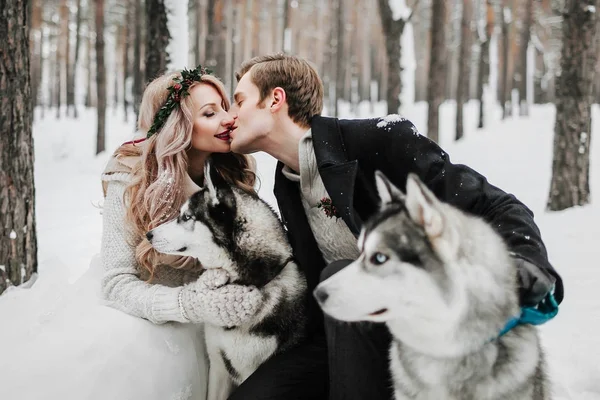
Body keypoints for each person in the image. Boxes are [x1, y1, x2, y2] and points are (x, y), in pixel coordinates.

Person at [224, 53, 564, 400]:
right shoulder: (286, 183)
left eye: (239, 101)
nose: (231, 115)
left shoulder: (376, 141)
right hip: (340, 334)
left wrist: (525, 262)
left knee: (342, 275)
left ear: (274, 100)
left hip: (422, 329)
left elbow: (492, 203)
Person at [99, 66, 264, 399]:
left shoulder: (236, 170)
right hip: (153, 325)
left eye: (224, 106)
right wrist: (186, 305)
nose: (227, 118)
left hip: (224, 328)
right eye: (209, 112)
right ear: (178, 125)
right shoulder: (130, 179)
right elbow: (115, 284)